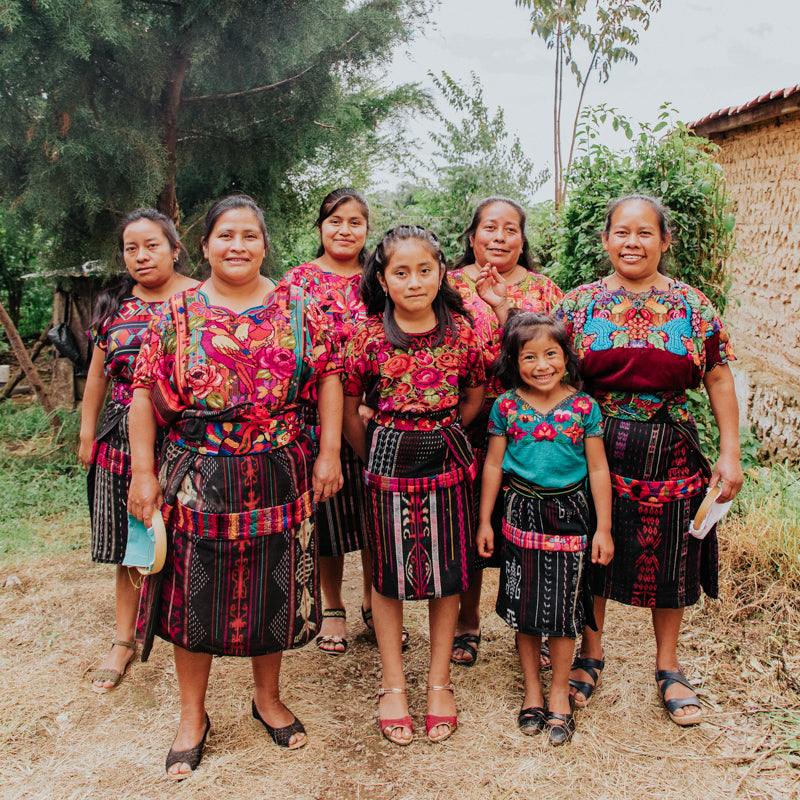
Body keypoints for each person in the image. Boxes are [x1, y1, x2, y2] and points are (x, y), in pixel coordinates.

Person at [127, 195, 343, 779]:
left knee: (273, 589)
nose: (238, 246)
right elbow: (143, 394)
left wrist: (328, 453)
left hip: (282, 469)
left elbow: (328, 378)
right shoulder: (176, 314)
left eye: (250, 235)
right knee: (192, 596)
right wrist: (143, 474)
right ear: (204, 246)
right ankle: (193, 715)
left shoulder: (301, 308)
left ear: (265, 244)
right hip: (197, 474)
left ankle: (266, 699)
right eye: (226, 235)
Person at [554, 194, 743, 726]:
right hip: (593, 443)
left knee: (673, 554)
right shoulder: (578, 305)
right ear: (606, 239)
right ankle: (589, 654)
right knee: (594, 549)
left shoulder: (692, 305)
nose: (631, 243)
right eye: (621, 233)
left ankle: (668, 666)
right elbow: (550, 374)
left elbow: (719, 376)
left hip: (670, 442)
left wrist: (729, 453)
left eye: (644, 233)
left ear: (664, 241)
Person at [342, 226, 485, 745]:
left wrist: (444, 429)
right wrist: (373, 451)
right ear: (382, 278)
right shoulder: (367, 335)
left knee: (448, 569)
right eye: (401, 272)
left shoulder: (462, 331)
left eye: (425, 270)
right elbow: (350, 404)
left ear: (442, 271)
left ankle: (439, 682)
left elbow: (475, 395)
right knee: (388, 569)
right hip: (385, 457)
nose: (415, 280)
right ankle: (393, 683)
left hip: (447, 452)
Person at [476, 312, 613, 746]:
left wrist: (603, 529)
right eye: (528, 356)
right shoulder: (506, 407)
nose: (541, 365)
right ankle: (532, 688)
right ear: (513, 361)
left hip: (571, 513)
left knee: (563, 604)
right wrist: (485, 521)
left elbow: (598, 470)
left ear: (566, 356)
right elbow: (494, 465)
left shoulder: (583, 407)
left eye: (551, 354)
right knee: (526, 602)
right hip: (519, 513)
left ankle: (559, 692)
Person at [79, 208, 196, 694]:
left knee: (191, 540)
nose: (142, 256)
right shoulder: (114, 306)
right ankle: (123, 641)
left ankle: (189, 635)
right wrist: (88, 434)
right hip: (123, 438)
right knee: (132, 539)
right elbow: (96, 376)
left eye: (152, 245)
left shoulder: (202, 297)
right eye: (132, 248)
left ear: (175, 249)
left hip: (187, 437)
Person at [284, 188, 405, 654]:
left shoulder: (379, 278)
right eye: (335, 221)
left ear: (367, 230)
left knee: (375, 516)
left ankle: (377, 605)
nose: (345, 230)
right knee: (328, 515)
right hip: (316, 417)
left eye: (355, 222)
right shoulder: (297, 282)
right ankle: (332, 605)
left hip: (377, 410)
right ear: (320, 227)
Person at [448, 197, 563, 667]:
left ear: (523, 238)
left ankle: (529, 624)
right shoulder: (449, 285)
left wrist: (504, 308)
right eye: (489, 228)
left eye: (510, 229)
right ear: (472, 236)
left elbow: (553, 357)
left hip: (532, 426)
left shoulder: (547, 292)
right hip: (469, 421)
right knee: (472, 521)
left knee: (530, 524)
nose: (499, 237)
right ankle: (468, 621)